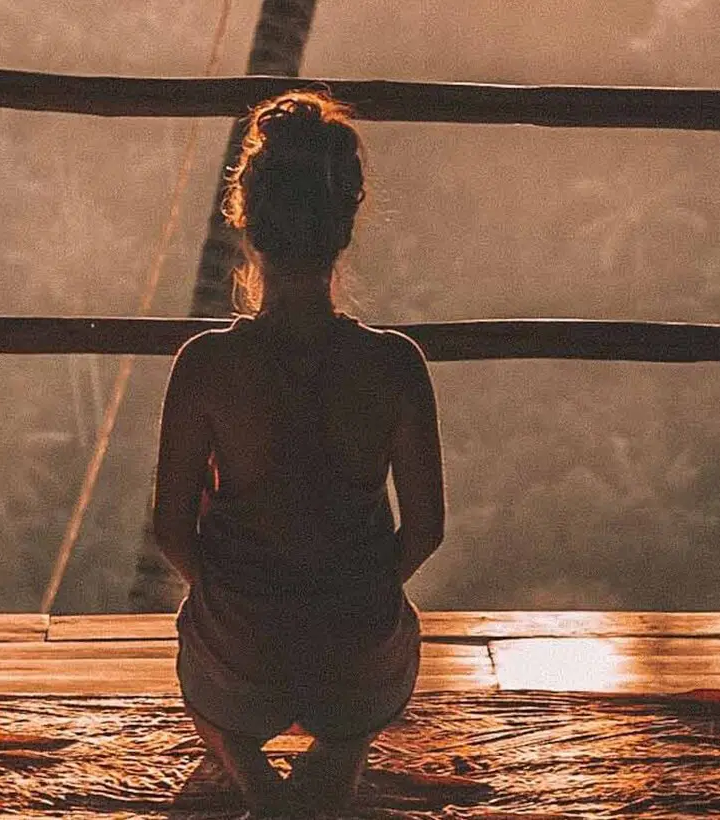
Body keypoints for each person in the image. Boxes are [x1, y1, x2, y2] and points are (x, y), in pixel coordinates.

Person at [151, 90, 445, 816]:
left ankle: (255, 783)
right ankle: (342, 752)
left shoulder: (206, 366)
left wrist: (232, 597)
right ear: (345, 223)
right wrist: (356, 590)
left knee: (205, 664)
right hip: (356, 655)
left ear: (247, 221)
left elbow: (170, 529)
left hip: (242, 654)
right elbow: (427, 529)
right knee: (382, 643)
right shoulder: (395, 365)